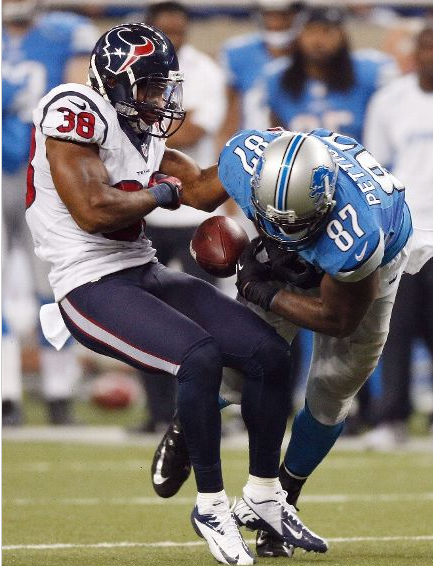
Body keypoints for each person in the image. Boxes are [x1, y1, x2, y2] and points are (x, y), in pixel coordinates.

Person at [25, 23, 328, 564]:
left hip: (140, 269)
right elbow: (92, 210)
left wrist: (254, 159)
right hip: (85, 282)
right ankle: (211, 505)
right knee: (199, 357)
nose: (159, 98)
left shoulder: (141, 127)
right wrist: (162, 193)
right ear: (115, 82)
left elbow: (203, 191)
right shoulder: (75, 110)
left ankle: (264, 496)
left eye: (163, 86)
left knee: (267, 353)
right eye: (148, 86)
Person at [151, 124, 426, 557]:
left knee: (333, 386)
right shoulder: (245, 161)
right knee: (237, 365)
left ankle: (282, 500)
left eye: (295, 223)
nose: (284, 231)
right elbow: (200, 191)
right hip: (308, 239)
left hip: (369, 273)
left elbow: (337, 319)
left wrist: (262, 292)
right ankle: (186, 427)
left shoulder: (357, 234)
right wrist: (136, 156)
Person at [129, 0, 227, 434]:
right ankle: (156, 412)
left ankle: (208, 410)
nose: (174, 39)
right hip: (144, 206)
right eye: (165, 30)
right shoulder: (131, 70)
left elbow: (191, 131)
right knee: (140, 313)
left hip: (190, 206)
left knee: (202, 314)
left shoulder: (203, 71)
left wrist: (139, 121)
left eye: (180, 31)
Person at [2, 0, 100, 425]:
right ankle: (7, 395)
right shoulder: (63, 31)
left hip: (43, 173)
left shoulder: (65, 31)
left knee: (54, 285)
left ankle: (59, 391)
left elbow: (81, 97)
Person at [362, 25, 433, 449]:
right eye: (426, 46)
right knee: (395, 328)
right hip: (406, 232)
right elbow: (375, 167)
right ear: (415, 52)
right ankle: (392, 418)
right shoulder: (390, 100)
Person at [266, 6, 398, 142]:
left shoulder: (368, 73)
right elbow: (274, 133)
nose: (317, 40)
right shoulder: (278, 78)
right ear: (299, 36)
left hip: (357, 154)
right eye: (311, 31)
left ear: (342, 36)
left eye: (327, 31)